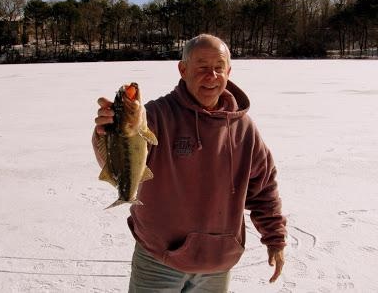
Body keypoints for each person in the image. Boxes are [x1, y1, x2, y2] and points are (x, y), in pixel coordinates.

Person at [93, 34, 287, 292]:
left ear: (228, 71)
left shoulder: (243, 129)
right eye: (202, 67)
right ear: (183, 70)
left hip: (217, 262)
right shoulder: (156, 116)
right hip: (159, 259)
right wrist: (108, 133)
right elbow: (121, 164)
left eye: (219, 68)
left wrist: (275, 238)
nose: (212, 76)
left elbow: (263, 189)